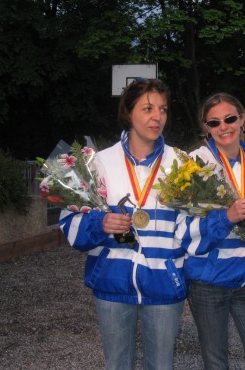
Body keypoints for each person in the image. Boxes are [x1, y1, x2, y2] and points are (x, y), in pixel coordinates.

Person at [58, 78, 187, 369]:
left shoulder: (180, 163)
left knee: (162, 364)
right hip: (112, 281)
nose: (157, 117)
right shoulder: (99, 163)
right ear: (128, 112)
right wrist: (100, 223)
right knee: (117, 364)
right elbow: (69, 221)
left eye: (163, 109)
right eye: (147, 108)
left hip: (164, 283)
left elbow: (191, 226)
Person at [176, 93, 245, 369]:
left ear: (242, 119)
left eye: (230, 118)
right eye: (214, 122)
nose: (224, 127)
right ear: (206, 127)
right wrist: (226, 218)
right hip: (209, 282)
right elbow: (184, 232)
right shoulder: (193, 164)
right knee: (216, 363)